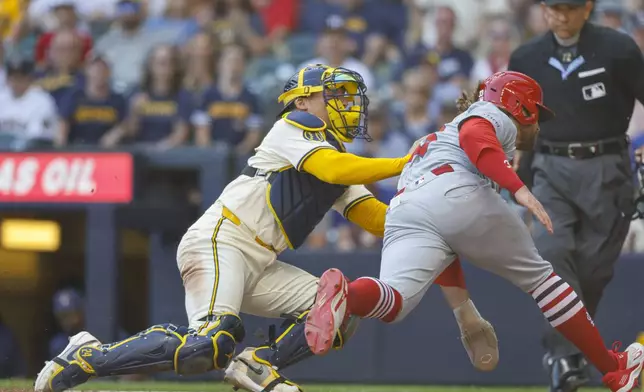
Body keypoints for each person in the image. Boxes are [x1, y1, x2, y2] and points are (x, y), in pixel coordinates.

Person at [35, 64, 498, 392]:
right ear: (303, 100)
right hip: (221, 240)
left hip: (261, 260)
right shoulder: (292, 128)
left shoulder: (337, 157)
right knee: (209, 345)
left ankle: (258, 364)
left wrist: (430, 221)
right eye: (332, 94)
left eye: (345, 95)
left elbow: (378, 218)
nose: (344, 103)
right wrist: (404, 160)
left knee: (337, 312)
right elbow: (335, 170)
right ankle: (86, 356)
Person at [304, 71, 644, 392]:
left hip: (407, 206)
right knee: (545, 282)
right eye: (536, 113)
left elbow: (444, 236)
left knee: (394, 302)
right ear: (519, 105)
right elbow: (474, 135)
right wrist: (518, 188)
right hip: (453, 188)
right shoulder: (495, 113)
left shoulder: (434, 137)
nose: (538, 126)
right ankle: (614, 369)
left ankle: (348, 295)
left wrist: (464, 312)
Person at [507, 1, 644, 389]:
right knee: (551, 254)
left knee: (593, 272)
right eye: (552, 8)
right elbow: (512, 114)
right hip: (550, 168)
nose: (560, 17)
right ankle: (566, 358)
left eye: (568, 8)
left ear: (588, 7)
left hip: (609, 168)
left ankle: (568, 355)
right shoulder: (526, 56)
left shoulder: (619, 48)